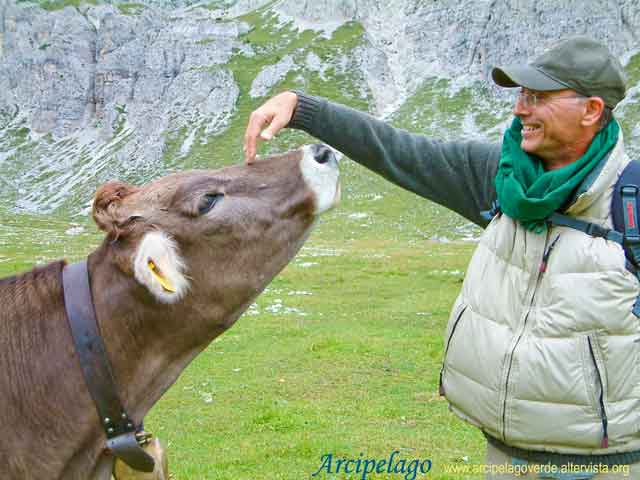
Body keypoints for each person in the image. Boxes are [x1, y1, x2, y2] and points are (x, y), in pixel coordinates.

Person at [244, 36, 639, 479]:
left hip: (604, 465)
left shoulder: (631, 201)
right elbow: (399, 150)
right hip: (507, 457)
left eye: (539, 98)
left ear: (591, 110)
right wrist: (303, 109)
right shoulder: (500, 179)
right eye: (522, 96)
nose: (520, 110)